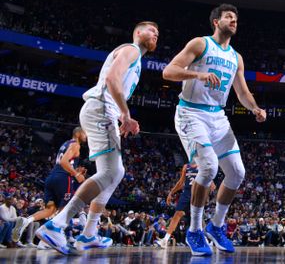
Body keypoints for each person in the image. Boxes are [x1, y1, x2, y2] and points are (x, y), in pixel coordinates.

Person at [35, 22, 158, 254]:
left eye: (158, 34)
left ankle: (89, 233)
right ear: (138, 33)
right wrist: (126, 115)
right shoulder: (131, 50)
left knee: (116, 172)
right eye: (151, 31)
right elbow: (112, 79)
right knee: (110, 172)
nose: (156, 35)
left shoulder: (137, 59)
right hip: (102, 108)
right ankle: (57, 225)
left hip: (103, 110)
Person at [163, 4, 266, 256]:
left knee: (237, 172)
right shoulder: (200, 44)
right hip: (191, 113)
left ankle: (216, 225)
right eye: (229, 17)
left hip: (217, 117)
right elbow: (168, 71)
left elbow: (241, 92)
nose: (234, 21)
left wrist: (255, 108)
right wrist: (198, 75)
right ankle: (194, 230)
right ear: (216, 22)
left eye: (236, 18)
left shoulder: (236, 57)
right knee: (208, 167)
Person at [12, 128, 87, 243]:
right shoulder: (76, 145)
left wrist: (76, 170)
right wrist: (76, 174)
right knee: (66, 210)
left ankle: (26, 221)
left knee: (50, 210)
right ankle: (59, 237)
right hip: (63, 178)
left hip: (52, 177)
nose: (86, 136)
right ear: (77, 134)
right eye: (84, 133)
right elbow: (63, 162)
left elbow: (63, 162)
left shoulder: (65, 144)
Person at [157, 162, 215, 249]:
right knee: (177, 215)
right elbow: (181, 183)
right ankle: (165, 240)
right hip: (186, 194)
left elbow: (212, 185)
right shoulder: (186, 166)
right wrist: (171, 193)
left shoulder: (204, 166)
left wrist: (206, 191)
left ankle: (206, 239)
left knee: (198, 218)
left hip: (198, 194)